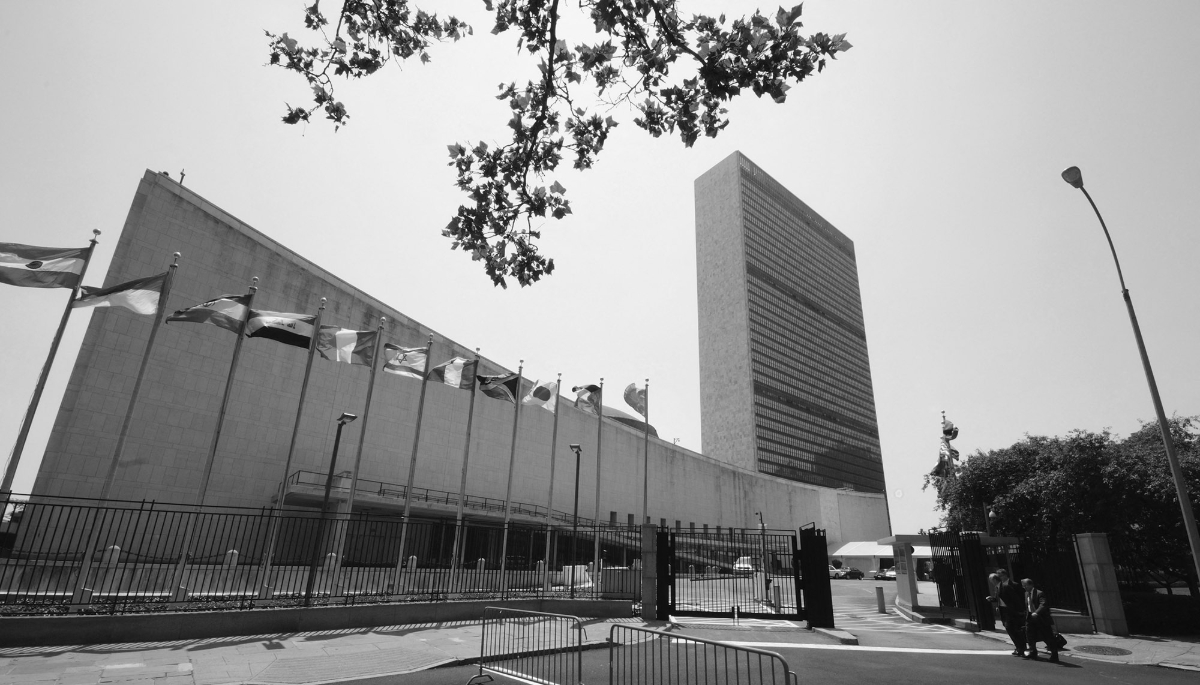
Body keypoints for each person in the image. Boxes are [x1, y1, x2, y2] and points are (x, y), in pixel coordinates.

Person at [988, 569, 1027, 656]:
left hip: (1012, 611)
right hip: (1004, 611)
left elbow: (1016, 599)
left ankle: (1021, 647)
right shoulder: (998, 587)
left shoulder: (1007, 586)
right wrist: (993, 600)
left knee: (1013, 629)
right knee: (1010, 629)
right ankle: (1019, 647)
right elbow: (1001, 598)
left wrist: (1020, 610)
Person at [1021, 578, 1059, 663]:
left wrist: (1037, 612)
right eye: (1023, 586)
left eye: (1025, 585)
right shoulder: (1026, 593)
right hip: (1030, 617)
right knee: (1029, 635)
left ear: (1031, 585)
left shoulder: (1039, 593)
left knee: (1047, 636)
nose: (1024, 587)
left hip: (1041, 618)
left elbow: (1043, 604)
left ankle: (1054, 655)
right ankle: (1032, 652)